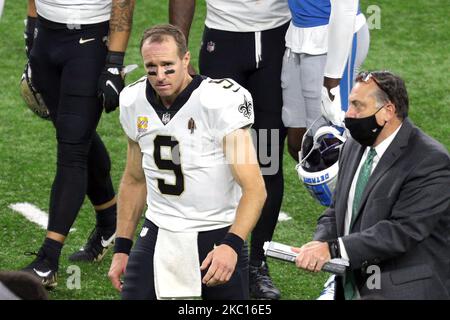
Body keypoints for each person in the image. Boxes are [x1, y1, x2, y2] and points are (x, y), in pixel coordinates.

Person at [108, 24, 267, 300]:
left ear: (186, 60)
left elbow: (255, 188)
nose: (160, 76)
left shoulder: (219, 101)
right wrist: (122, 247)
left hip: (216, 230)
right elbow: (134, 180)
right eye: (151, 68)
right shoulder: (133, 100)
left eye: (168, 66)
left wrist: (232, 243)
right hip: (159, 227)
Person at [169, 0, 290, 300]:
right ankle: (209, 252)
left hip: (277, 40)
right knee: (214, 158)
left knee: (267, 158)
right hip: (222, 41)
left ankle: (257, 263)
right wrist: (177, 47)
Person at [292, 70, 450, 300]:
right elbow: (337, 210)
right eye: (349, 105)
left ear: (387, 111)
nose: (349, 114)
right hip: (354, 280)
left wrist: (333, 249)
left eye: (358, 106)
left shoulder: (429, 160)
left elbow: (402, 231)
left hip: (402, 288)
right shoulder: (354, 146)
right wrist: (320, 241)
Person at [22, 0, 135, 288]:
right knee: (73, 135)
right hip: (46, 37)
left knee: (72, 148)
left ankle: (48, 261)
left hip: (89, 40)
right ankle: (109, 219)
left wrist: (114, 62)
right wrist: (32, 26)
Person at [282, 0, 370, 162]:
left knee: (333, 142)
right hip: (297, 37)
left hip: (334, 41)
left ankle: (359, 185)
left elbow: (346, 10)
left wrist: (332, 79)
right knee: (299, 143)